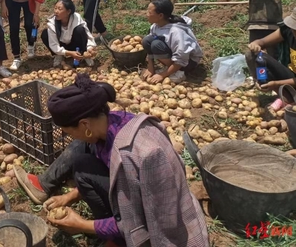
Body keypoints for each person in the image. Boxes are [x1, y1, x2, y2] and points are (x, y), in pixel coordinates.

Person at [13, 73, 209, 247]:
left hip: (163, 234)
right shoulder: (112, 123)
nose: (71, 138)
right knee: (82, 164)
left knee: (82, 163)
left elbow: (142, 227)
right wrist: (68, 197)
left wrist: (82, 225)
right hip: (146, 208)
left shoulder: (132, 156)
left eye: (69, 132)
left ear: (84, 125)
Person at [141, 0, 203, 84]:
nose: (146, 14)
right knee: (147, 40)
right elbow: (149, 48)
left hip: (188, 63)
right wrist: (150, 68)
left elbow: (182, 59)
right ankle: (171, 69)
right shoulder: (155, 26)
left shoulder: (176, 32)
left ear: (160, 15)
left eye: (149, 12)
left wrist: (162, 75)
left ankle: (177, 71)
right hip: (174, 58)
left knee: (156, 44)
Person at [246, 7, 296, 94]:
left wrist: (276, 84)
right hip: (290, 75)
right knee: (254, 55)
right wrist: (256, 44)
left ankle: (289, 99)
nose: (293, 31)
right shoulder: (288, 31)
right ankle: (262, 83)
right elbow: (262, 42)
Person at [41, 0, 97, 69]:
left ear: (68, 11)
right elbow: (54, 44)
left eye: (59, 9)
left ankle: (84, 53)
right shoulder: (52, 23)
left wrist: (89, 48)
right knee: (45, 34)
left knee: (80, 29)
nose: (56, 11)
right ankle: (59, 55)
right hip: (62, 46)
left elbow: (87, 34)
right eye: (55, 8)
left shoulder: (76, 18)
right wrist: (69, 53)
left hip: (75, 44)